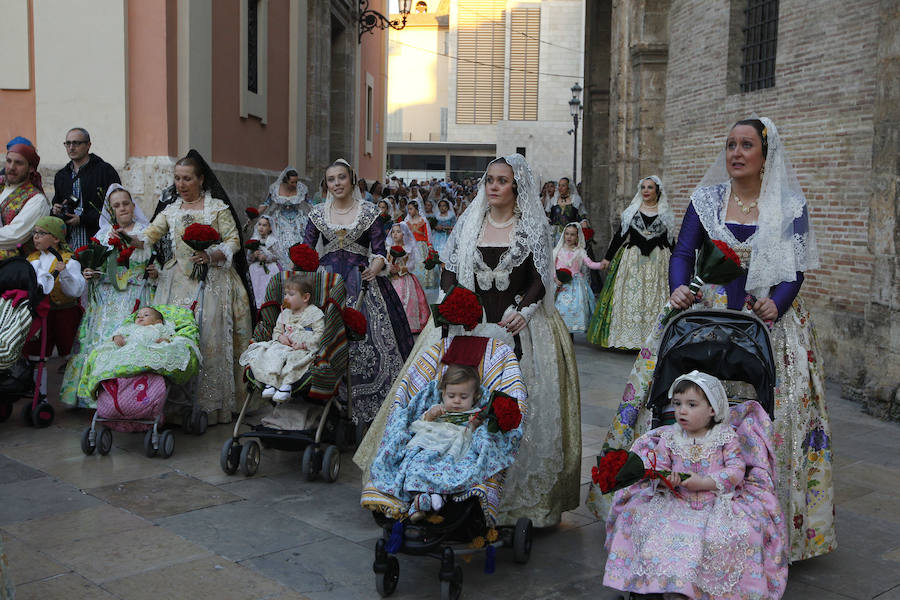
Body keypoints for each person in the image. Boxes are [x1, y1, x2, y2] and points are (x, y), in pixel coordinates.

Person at [603, 117, 833, 561]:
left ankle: (767, 523)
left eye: (747, 145)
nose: (736, 153)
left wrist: (778, 302)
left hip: (768, 323)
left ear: (766, 155)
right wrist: (676, 287)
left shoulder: (789, 205)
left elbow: (796, 267)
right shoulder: (706, 200)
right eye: (730, 145)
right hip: (706, 317)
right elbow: (684, 252)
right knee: (685, 402)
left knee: (774, 415)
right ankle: (678, 509)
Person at [356, 154, 581, 528]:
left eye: (502, 180)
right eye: (489, 179)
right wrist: (454, 303)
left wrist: (524, 311)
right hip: (465, 328)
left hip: (516, 329)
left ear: (517, 187)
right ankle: (424, 479)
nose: (493, 186)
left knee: (511, 405)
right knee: (434, 395)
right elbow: (448, 269)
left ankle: (508, 500)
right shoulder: (470, 221)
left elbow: (541, 277)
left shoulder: (532, 230)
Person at [603, 371, 787, 600]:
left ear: (712, 409)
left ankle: (702, 588)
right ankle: (663, 582)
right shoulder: (670, 438)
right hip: (677, 500)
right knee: (650, 524)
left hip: (714, 501)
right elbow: (659, 464)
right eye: (677, 404)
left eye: (691, 404)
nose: (681, 410)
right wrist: (665, 477)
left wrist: (705, 482)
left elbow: (736, 470)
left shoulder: (725, 438)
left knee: (732, 534)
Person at [134, 151, 254, 425]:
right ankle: (173, 401)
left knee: (208, 334)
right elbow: (149, 235)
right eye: (177, 178)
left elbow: (234, 241)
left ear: (201, 179)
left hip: (211, 281)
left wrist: (212, 255)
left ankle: (210, 403)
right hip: (175, 281)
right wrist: (128, 239)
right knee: (174, 333)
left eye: (187, 178)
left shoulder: (217, 208)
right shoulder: (171, 210)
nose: (180, 184)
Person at [303, 158, 413, 424]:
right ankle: (322, 404)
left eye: (341, 177)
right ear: (326, 185)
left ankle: (364, 410)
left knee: (365, 344)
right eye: (331, 179)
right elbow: (305, 251)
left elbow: (378, 250)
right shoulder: (317, 213)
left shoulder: (369, 212)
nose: (337, 183)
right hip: (326, 285)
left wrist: (375, 268)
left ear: (351, 179)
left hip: (363, 283)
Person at [369, 363, 522, 523]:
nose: (456, 401)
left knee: (451, 470)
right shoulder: (438, 409)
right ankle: (420, 501)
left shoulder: (473, 414)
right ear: (443, 394)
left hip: (453, 450)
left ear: (475, 396)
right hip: (430, 444)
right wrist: (429, 416)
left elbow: (475, 435)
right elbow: (418, 425)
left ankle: (432, 499)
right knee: (416, 465)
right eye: (451, 396)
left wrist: (474, 424)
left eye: (463, 397)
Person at [60, 184, 157, 408]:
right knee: (99, 341)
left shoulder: (145, 232)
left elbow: (154, 259)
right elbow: (94, 261)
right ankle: (95, 396)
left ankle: (128, 397)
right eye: (117, 205)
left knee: (127, 342)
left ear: (133, 205)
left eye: (125, 203)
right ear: (111, 210)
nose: (122, 208)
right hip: (105, 298)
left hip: (135, 295)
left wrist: (154, 271)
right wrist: (89, 271)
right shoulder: (104, 234)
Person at [586, 176, 674, 350]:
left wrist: (680, 264)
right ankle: (628, 339)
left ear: (657, 191)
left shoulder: (665, 213)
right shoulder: (632, 211)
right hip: (633, 260)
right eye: (643, 187)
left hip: (657, 261)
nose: (646, 191)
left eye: (650, 187)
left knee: (653, 297)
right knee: (631, 295)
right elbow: (620, 236)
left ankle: (651, 340)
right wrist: (607, 258)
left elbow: (671, 241)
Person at [25, 216, 87, 400]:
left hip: (64, 314)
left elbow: (75, 290)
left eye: (42, 233)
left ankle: (75, 393)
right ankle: (39, 395)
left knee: (70, 353)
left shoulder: (68, 261)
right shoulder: (32, 259)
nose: (36, 237)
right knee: (38, 355)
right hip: (41, 315)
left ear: (56, 239)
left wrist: (65, 273)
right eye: (34, 233)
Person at [239, 274, 325, 402]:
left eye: (290, 294)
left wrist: (304, 344)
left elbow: (320, 334)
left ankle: (286, 385)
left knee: (294, 360)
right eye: (285, 294)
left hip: (301, 348)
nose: (285, 298)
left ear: (305, 297)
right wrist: (280, 337)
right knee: (271, 353)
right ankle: (271, 381)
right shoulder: (285, 313)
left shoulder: (315, 313)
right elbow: (277, 330)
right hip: (284, 346)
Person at [51, 127, 121, 250]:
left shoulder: (104, 171)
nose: (71, 147)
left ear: (88, 145)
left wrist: (82, 219)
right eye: (68, 143)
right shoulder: (61, 176)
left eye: (76, 143)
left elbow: (115, 207)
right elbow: (57, 203)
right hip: (70, 243)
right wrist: (56, 210)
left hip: (98, 242)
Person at [0, 143, 50, 260]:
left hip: (16, 267)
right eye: (9, 161)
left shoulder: (37, 200)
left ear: (31, 168)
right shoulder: (2, 188)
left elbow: (14, 235)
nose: (11, 167)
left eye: (19, 163)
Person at [553, 223, 605, 333]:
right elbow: (551, 267)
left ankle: (572, 330)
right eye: (567, 234)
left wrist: (601, 264)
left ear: (577, 237)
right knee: (560, 307)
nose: (569, 237)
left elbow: (590, 263)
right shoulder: (557, 251)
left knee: (575, 308)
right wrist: (555, 278)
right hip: (560, 285)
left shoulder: (580, 251)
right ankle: (562, 332)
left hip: (575, 285)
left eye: (572, 234)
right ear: (563, 235)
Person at [259, 167, 311, 266]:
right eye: (292, 182)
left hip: (298, 220)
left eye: (296, 181)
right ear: (286, 180)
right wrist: (254, 214)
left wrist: (320, 211)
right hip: (280, 220)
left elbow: (309, 202)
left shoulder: (301, 188)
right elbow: (266, 203)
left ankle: (297, 265)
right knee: (280, 244)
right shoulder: (275, 188)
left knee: (299, 242)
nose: (295, 184)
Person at [385, 222, 429, 333]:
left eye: (398, 232)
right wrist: (389, 269)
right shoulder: (388, 248)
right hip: (390, 278)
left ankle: (409, 324)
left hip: (404, 278)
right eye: (393, 232)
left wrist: (399, 269)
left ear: (404, 234)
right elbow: (385, 262)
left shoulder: (408, 249)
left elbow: (411, 265)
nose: (395, 234)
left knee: (407, 299)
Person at [247, 215, 282, 308]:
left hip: (269, 268)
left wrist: (266, 257)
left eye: (264, 225)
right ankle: (257, 307)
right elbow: (248, 258)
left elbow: (277, 255)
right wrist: (254, 256)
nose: (261, 227)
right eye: (259, 224)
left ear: (270, 228)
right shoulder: (254, 240)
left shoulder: (273, 241)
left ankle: (269, 305)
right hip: (256, 269)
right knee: (257, 289)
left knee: (268, 288)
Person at [404, 200, 437, 292]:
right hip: (411, 247)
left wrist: (429, 245)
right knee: (412, 264)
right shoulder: (406, 222)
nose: (409, 211)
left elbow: (428, 234)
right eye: (408, 209)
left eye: (411, 209)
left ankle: (422, 284)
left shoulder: (423, 221)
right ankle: (412, 284)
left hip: (421, 246)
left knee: (421, 264)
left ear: (416, 209)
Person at [548, 177, 581, 243]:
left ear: (568, 187)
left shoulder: (575, 200)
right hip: (555, 235)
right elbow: (548, 216)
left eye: (563, 186)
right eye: (559, 185)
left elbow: (581, 216)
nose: (560, 188)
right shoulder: (553, 200)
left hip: (569, 235)